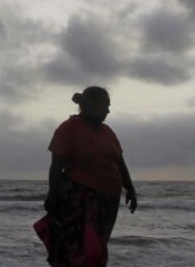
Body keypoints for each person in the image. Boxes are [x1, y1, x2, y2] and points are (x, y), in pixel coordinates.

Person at [34, 86, 137, 267]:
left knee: (99, 244)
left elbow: (120, 162)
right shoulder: (68, 129)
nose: (108, 111)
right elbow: (56, 166)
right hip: (81, 199)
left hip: (109, 200)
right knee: (82, 248)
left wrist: (130, 189)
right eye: (105, 106)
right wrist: (52, 194)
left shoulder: (108, 132)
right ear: (90, 105)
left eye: (109, 106)